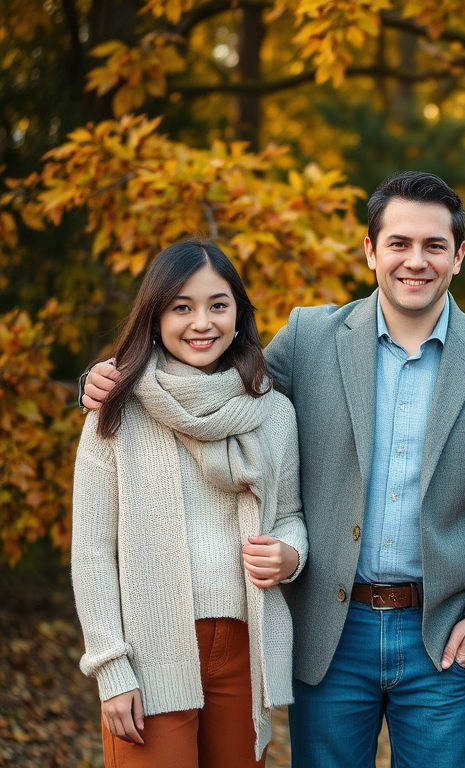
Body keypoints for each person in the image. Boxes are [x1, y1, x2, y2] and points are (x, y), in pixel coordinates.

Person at [84, 171, 465, 767]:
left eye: (434, 246)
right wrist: (107, 382)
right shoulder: (309, 337)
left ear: (458, 256)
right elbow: (218, 390)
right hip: (330, 629)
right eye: (399, 243)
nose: (416, 260)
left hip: (442, 633)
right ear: (370, 251)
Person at [71, 240, 307, 768]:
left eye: (217, 305)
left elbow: (290, 516)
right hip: (150, 651)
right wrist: (111, 669)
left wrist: (289, 555)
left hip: (245, 648)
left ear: (239, 314)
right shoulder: (116, 411)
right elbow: (91, 553)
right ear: (155, 317)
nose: (202, 322)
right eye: (182, 306)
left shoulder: (273, 412)